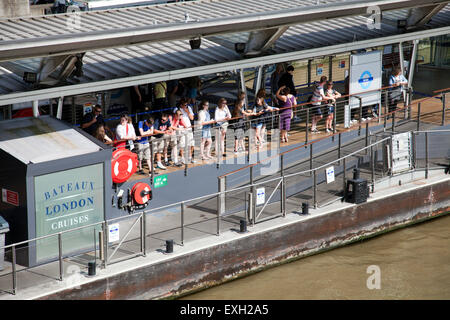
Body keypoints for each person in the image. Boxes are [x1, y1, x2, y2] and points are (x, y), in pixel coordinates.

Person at [174, 98, 196, 164]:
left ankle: (190, 157)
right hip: (181, 128)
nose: (186, 106)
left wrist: (187, 111)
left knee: (191, 143)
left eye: (186, 105)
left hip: (189, 127)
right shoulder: (176, 109)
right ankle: (182, 158)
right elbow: (175, 119)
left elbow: (192, 118)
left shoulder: (188, 108)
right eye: (184, 105)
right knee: (182, 144)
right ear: (181, 105)